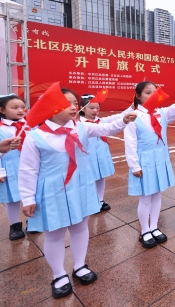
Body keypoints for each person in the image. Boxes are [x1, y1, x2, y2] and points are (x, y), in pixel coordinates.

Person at [19, 89, 137, 298]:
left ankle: (80, 265)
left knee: (80, 227)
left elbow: (106, 128)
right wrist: (28, 198)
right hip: (52, 191)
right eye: (67, 104)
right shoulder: (35, 136)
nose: (74, 107)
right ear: (50, 108)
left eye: (75, 103)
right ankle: (59, 274)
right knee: (54, 234)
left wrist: (124, 120)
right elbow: (28, 170)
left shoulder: (81, 127)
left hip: (80, 186)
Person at [124, 82, 175, 249]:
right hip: (144, 161)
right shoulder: (133, 116)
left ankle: (154, 227)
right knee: (145, 198)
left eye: (154, 92)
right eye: (147, 93)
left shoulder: (161, 113)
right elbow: (130, 143)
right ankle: (145, 230)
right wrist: (134, 165)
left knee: (157, 195)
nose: (151, 96)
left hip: (160, 159)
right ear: (138, 96)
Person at [79, 94, 129, 212]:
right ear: (82, 108)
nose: (95, 111)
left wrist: (133, 105)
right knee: (87, 179)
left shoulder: (102, 121)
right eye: (91, 108)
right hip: (87, 157)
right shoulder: (79, 124)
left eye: (97, 108)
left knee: (101, 177)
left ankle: (100, 200)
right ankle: (88, 201)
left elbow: (121, 116)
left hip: (101, 155)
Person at [0, 94, 28, 240]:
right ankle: (15, 225)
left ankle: (34, 221)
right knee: (13, 198)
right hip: (10, 167)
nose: (20, 110)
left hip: (30, 166)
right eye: (14, 107)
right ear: (2, 110)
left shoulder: (30, 125)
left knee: (34, 194)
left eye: (23, 107)